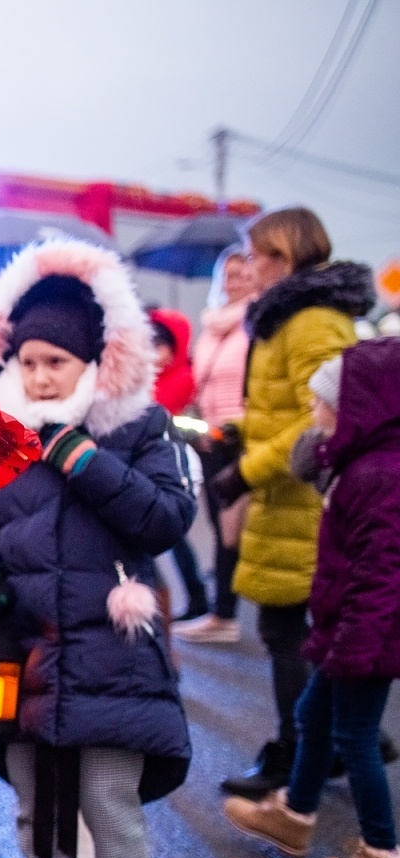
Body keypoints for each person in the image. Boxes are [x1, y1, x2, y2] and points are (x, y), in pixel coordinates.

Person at [0, 240, 195, 858]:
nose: (40, 377)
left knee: (107, 800)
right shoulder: (6, 441)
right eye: (27, 362)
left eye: (56, 361)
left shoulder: (137, 431)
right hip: (25, 656)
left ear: (94, 360)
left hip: (113, 657)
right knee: (36, 804)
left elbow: (165, 517)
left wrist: (82, 457)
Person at [223, 339, 400, 858]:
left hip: (367, 636)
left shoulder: (379, 476)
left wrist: (354, 642)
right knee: (313, 716)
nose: (315, 414)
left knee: (355, 736)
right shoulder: (360, 465)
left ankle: (383, 857)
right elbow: (309, 463)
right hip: (349, 628)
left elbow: (382, 575)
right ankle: (296, 816)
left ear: (361, 411)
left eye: (326, 404)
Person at [212, 208, 374, 799]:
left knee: (289, 630)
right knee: (306, 632)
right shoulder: (289, 317)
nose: (249, 268)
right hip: (289, 497)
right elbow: (287, 406)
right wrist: (243, 437)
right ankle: (341, 736)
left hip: (303, 498)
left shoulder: (309, 321)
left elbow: (322, 415)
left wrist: (246, 471)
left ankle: (299, 752)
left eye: (255, 256)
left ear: (282, 257)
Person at [174, 250, 257, 644]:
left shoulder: (257, 324)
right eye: (229, 273)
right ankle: (221, 610)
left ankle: (226, 613)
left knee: (230, 529)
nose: (235, 281)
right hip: (207, 436)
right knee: (217, 522)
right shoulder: (210, 327)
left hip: (240, 436)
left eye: (243, 274)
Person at [148, 307, 208, 622]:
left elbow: (189, 425)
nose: (154, 354)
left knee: (172, 535)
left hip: (175, 469)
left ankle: (195, 596)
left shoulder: (185, 380)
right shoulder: (148, 381)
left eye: (160, 346)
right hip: (150, 468)